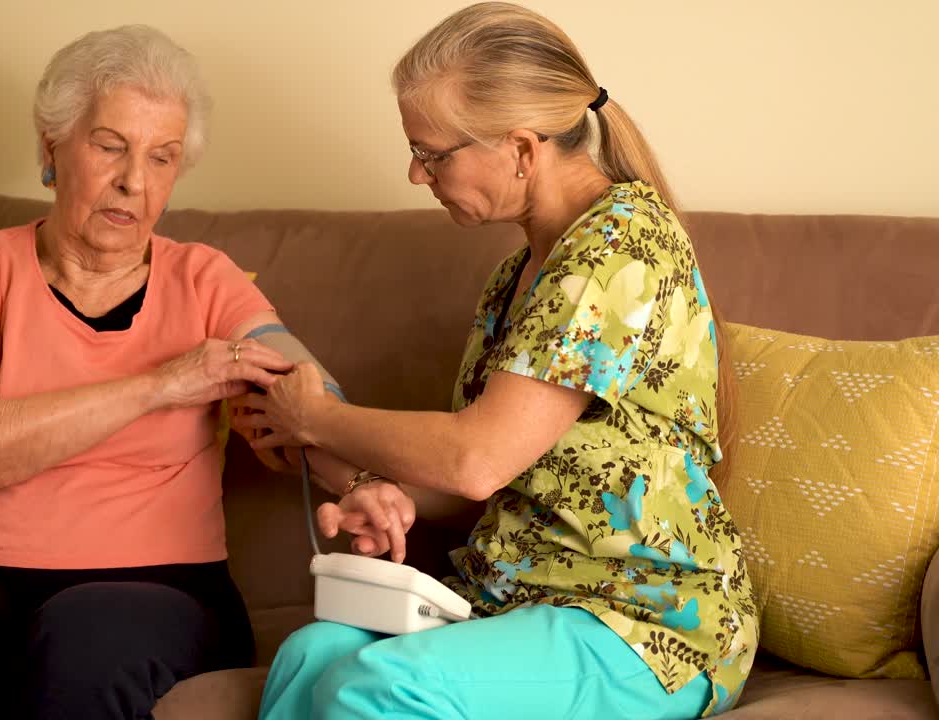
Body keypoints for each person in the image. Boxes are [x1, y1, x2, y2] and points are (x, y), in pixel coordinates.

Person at [237, 4, 757, 718]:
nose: (416, 173)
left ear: (521, 149)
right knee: (307, 658)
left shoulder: (621, 247)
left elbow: (474, 458)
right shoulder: (515, 277)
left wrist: (317, 417)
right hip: (520, 597)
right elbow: (480, 486)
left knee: (382, 688)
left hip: (645, 621)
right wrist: (384, 492)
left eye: (432, 153)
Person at [0, 25, 308, 720]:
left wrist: (351, 465)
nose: (133, 181)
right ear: (50, 145)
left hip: (158, 583)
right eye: (110, 145)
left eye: (162, 157)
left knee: (85, 645)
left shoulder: (206, 279)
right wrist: (162, 383)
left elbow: (302, 380)